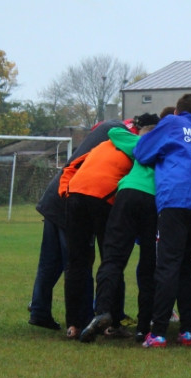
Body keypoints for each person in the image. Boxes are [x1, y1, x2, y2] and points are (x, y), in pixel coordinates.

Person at [27, 120, 127, 332]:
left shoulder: (96, 139)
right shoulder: (117, 141)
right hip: (73, 199)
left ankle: (39, 310)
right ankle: (84, 318)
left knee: (50, 262)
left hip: (55, 197)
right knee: (81, 261)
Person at [133, 93, 191, 348]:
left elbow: (142, 151)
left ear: (177, 111)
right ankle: (187, 331)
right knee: (185, 269)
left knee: (166, 266)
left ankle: (158, 332)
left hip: (175, 199)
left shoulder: (172, 123)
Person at [78, 113, 161, 343]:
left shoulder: (138, 143)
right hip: (155, 200)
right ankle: (144, 327)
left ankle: (103, 311)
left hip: (128, 194)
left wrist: (135, 128)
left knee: (113, 258)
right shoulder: (167, 146)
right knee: (148, 264)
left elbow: (113, 132)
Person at [58, 125, 135, 339]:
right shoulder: (140, 149)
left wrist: (66, 191)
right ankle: (112, 321)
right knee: (112, 260)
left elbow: (70, 166)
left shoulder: (102, 144)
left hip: (75, 196)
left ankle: (74, 324)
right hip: (104, 199)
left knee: (76, 262)